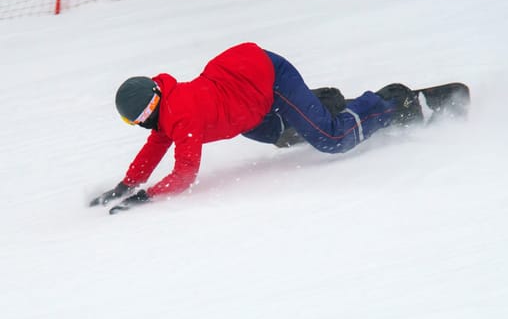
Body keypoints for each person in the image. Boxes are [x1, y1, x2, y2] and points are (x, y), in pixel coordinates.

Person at [89, 42, 423, 214]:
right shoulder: (167, 108)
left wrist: (147, 196)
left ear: (147, 111)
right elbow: (154, 147)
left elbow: (185, 173)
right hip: (247, 97)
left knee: (331, 138)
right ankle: (315, 106)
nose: (137, 127)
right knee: (275, 134)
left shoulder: (182, 117)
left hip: (269, 78)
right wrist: (125, 185)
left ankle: (391, 103)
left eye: (131, 121)